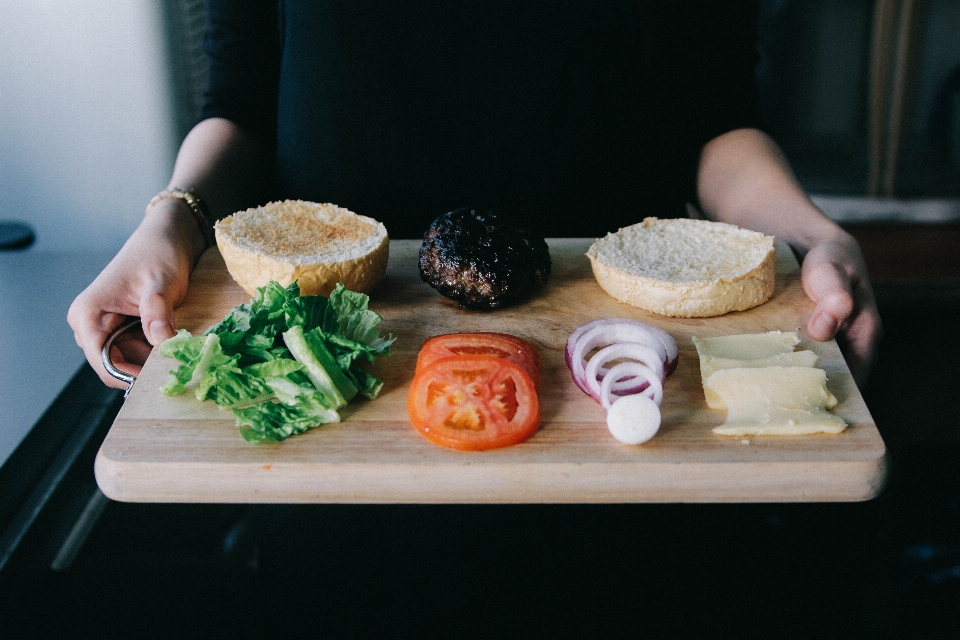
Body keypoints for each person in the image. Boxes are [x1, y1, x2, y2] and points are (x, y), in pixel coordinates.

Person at [69, 1, 881, 388]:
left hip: (619, 364)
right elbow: (239, 105)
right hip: (336, 365)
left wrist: (814, 236)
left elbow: (718, 122)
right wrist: (169, 223)